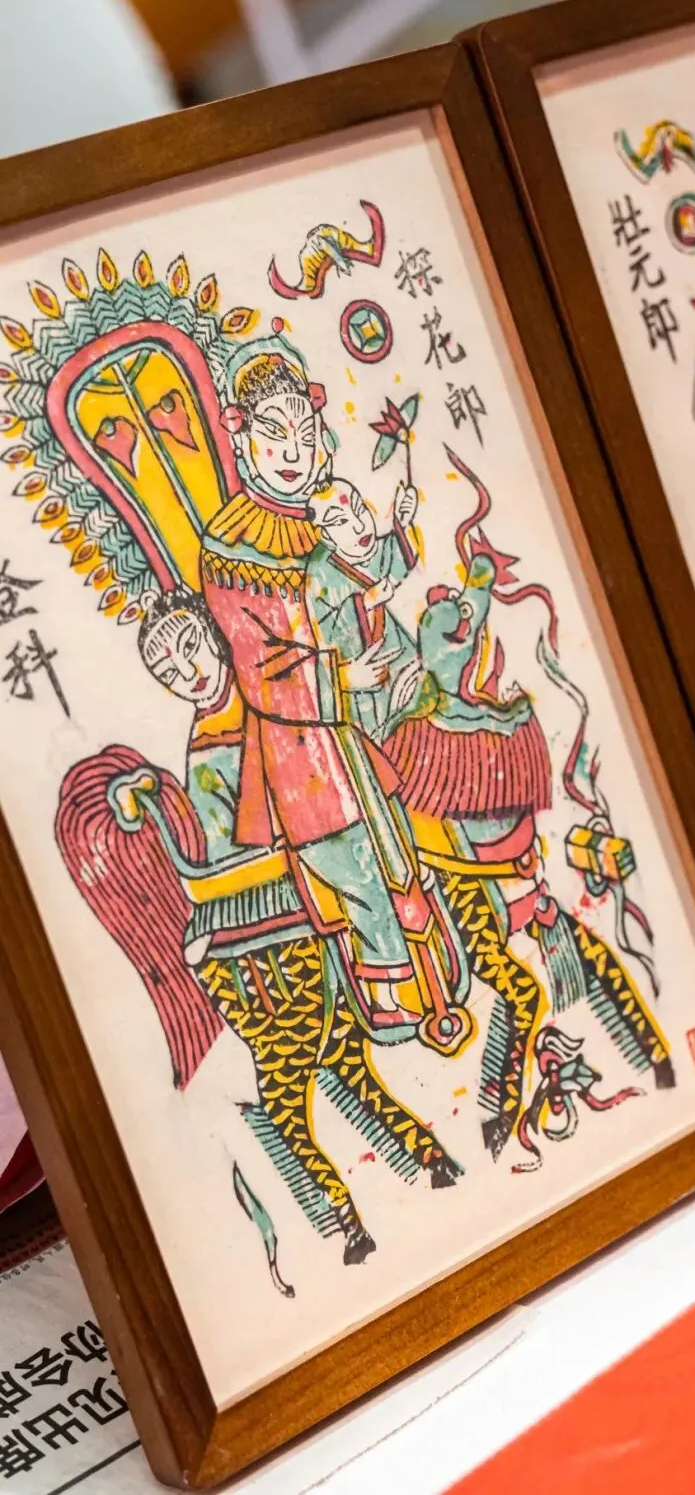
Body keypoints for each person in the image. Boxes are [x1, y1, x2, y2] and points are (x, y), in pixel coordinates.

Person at [136, 588, 462, 1265]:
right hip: (284, 896)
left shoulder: (269, 693)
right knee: (323, 1074)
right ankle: (374, 1194)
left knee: (318, 1078)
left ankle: (412, 1143)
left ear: (213, 634)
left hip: (331, 850)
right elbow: (229, 850)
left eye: (190, 647)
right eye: (169, 671)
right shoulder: (207, 751)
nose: (188, 672)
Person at [199, 338, 472, 1056]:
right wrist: (342, 679)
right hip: (303, 756)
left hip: (359, 730)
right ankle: (395, 1001)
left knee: (403, 854)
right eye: (272, 434)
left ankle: (439, 978)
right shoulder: (229, 548)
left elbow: (362, 588)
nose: (291, 452)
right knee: (359, 877)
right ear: (242, 439)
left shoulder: (318, 519)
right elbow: (259, 667)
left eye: (302, 432)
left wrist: (394, 538)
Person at [306, 477, 423, 739]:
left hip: (399, 662)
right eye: (340, 521)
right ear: (325, 535)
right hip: (363, 685)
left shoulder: (365, 550)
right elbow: (325, 631)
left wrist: (402, 523)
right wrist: (365, 603)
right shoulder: (320, 575)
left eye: (360, 509)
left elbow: (394, 560)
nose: (359, 525)